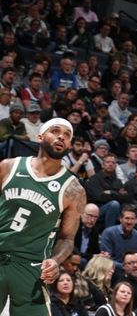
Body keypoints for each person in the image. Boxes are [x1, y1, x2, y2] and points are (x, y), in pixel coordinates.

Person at [0, 118, 87, 316]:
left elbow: (66, 238)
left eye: (67, 135)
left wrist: (56, 261)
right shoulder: (8, 167)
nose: (61, 137)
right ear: (40, 136)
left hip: (31, 267)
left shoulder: (74, 190)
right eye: (55, 131)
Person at [100, 205, 137, 269]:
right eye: (127, 218)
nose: (129, 222)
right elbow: (106, 260)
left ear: (136, 221)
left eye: (132, 219)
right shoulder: (108, 233)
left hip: (131, 270)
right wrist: (125, 267)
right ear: (120, 219)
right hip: (112, 269)